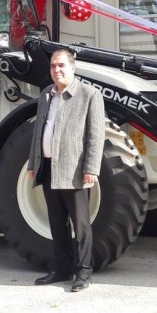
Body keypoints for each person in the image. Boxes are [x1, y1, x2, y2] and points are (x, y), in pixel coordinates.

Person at [27, 48, 105, 292]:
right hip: (49, 167)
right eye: (53, 66)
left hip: (74, 170)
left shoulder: (89, 95)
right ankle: (61, 269)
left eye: (61, 65)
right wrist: (33, 163)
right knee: (56, 222)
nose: (56, 70)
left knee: (80, 224)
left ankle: (83, 272)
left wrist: (91, 167)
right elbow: (38, 132)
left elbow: (95, 136)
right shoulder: (46, 95)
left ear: (73, 67)